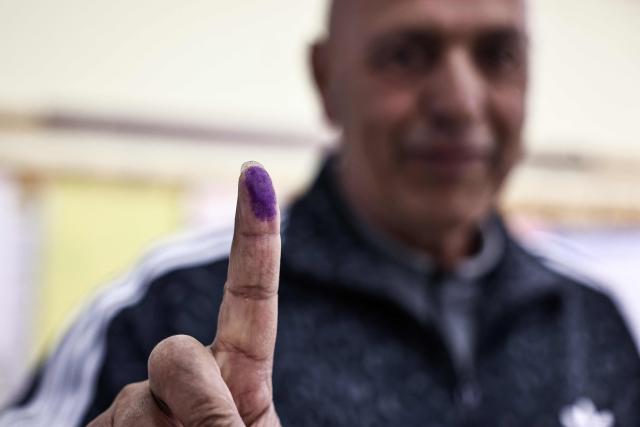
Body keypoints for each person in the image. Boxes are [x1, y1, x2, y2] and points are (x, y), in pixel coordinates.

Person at [2, 0, 639, 425]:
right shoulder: (163, 309)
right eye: (407, 55)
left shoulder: (595, 319)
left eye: (498, 56)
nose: (460, 102)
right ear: (326, 77)